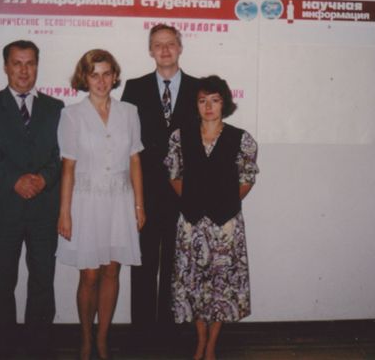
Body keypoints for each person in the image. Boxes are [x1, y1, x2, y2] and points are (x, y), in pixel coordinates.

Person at [0, 40, 64, 356]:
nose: (24, 71)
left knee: (42, 281)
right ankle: (3, 348)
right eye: (17, 63)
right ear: (5, 67)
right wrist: (16, 180)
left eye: (30, 63)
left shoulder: (55, 108)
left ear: (37, 66)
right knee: (1, 281)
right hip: (2, 207)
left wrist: (44, 179)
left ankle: (38, 347)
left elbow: (61, 154)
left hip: (43, 207)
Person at [57, 49, 145, 360]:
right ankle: (85, 339)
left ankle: (103, 338)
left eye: (107, 73)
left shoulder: (129, 112)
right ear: (84, 77)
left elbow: (135, 161)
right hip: (86, 204)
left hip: (120, 202)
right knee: (90, 276)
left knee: (111, 272)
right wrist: (64, 213)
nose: (101, 81)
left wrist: (139, 206)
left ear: (114, 76)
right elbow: (68, 167)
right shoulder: (72, 115)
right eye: (94, 74)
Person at [164, 75, 259, 360]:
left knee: (220, 286)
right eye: (202, 101)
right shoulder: (179, 136)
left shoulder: (242, 139)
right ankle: (200, 339)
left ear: (224, 103)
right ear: (196, 104)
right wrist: (193, 202)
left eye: (215, 101)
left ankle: (211, 346)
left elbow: (247, 179)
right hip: (191, 225)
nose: (208, 107)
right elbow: (174, 176)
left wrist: (224, 204)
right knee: (193, 284)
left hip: (225, 226)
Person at [121, 23, 199, 333]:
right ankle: (141, 331)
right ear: (150, 50)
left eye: (170, 43)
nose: (164, 50)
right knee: (143, 261)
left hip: (185, 191)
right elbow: (127, 142)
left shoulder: (198, 88)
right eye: (158, 44)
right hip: (145, 190)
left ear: (180, 47)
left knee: (177, 263)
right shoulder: (134, 88)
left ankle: (171, 329)